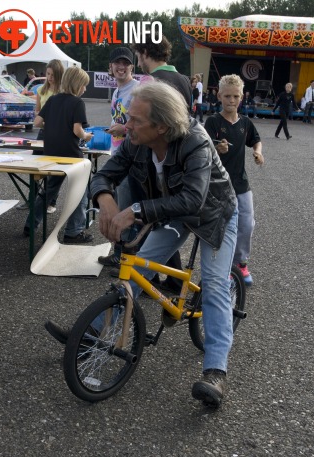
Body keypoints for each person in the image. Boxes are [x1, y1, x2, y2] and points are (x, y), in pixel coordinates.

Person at [45, 80, 238, 408]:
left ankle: (215, 372)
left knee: (217, 285)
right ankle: (89, 332)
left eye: (135, 120)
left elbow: (193, 199)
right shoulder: (136, 140)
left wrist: (135, 210)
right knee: (137, 270)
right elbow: (104, 174)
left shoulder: (196, 141)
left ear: (161, 126)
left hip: (213, 214)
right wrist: (105, 200)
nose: (126, 125)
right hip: (171, 210)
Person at [132, 34, 193, 293]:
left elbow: (139, 127)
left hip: (153, 161)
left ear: (145, 52)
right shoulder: (183, 80)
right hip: (180, 162)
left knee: (151, 217)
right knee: (166, 221)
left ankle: (150, 277)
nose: (138, 61)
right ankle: (173, 279)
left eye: (138, 56)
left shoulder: (150, 82)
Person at [205, 74, 264, 286]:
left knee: (247, 225)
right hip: (218, 185)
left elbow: (256, 141)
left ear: (242, 97)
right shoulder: (212, 122)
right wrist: (216, 149)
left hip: (241, 183)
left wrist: (258, 152)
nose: (231, 100)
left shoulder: (246, 123)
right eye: (227, 96)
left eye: (236, 96)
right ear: (219, 96)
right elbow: (204, 150)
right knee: (221, 225)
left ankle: (240, 262)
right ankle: (221, 265)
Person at [23, 66, 94, 243]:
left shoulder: (53, 100)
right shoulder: (78, 103)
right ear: (77, 85)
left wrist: (54, 125)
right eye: (84, 85)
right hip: (71, 156)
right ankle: (73, 231)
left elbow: (38, 122)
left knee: (49, 190)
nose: (84, 89)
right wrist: (86, 136)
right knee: (80, 191)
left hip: (51, 154)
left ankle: (30, 224)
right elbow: (77, 130)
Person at [98, 47, 140, 268]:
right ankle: (121, 253)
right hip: (118, 153)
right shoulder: (116, 92)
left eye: (125, 63)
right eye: (117, 63)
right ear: (111, 67)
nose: (121, 67)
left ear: (132, 66)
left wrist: (123, 129)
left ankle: (125, 258)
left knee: (126, 205)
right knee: (119, 201)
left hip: (132, 156)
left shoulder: (137, 90)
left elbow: (140, 123)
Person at [34, 59, 65, 213]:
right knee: (35, 166)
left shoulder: (63, 91)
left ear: (60, 75)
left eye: (53, 74)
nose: (50, 77)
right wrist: (41, 121)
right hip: (43, 131)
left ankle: (51, 202)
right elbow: (37, 111)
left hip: (58, 134)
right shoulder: (41, 90)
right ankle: (32, 199)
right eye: (48, 74)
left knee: (53, 169)